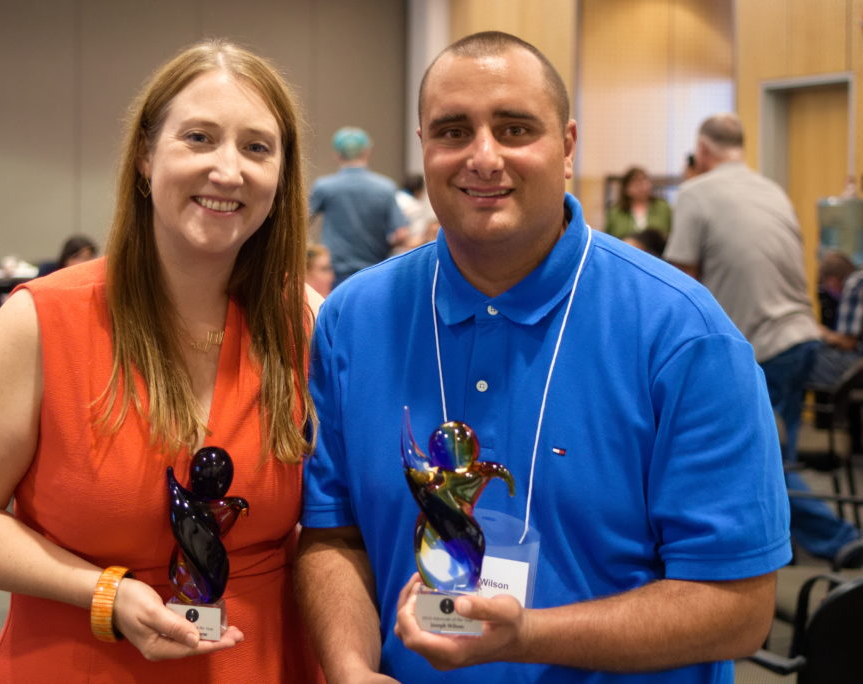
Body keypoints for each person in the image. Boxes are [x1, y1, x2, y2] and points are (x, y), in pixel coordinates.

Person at [298, 31, 789, 683]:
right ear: (423, 148)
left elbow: (737, 609)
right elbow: (334, 537)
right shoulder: (353, 321)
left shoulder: (684, 335)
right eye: (452, 131)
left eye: (514, 128)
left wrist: (524, 636)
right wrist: (351, 668)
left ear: (568, 146)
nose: (483, 156)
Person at [0, 39, 322, 683]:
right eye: (200, 138)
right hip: (86, 659)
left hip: (266, 660)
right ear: (147, 159)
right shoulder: (43, 321)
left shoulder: (305, 321)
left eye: (257, 147)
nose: (229, 170)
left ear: (281, 177)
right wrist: (103, 592)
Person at [665, 113, 858, 560]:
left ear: (704, 151)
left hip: (762, 345)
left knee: (758, 460)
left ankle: (836, 539)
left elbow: (677, 285)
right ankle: (776, 542)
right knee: (777, 455)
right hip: (802, 337)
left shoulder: (696, 192)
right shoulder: (773, 190)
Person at [310, 126, 408, 285]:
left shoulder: (324, 187)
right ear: (367, 152)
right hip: (374, 270)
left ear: (337, 155)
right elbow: (402, 234)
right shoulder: (385, 188)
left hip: (335, 273)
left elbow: (301, 221)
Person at [603, 166, 671, 240]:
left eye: (645, 180)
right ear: (626, 188)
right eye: (637, 182)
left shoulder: (663, 207)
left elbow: (671, 235)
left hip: (656, 251)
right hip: (624, 250)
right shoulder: (615, 212)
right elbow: (608, 239)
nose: (643, 186)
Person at [393, 174, 439, 253]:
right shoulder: (415, 206)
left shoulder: (395, 198)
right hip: (404, 252)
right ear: (419, 189)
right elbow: (416, 238)